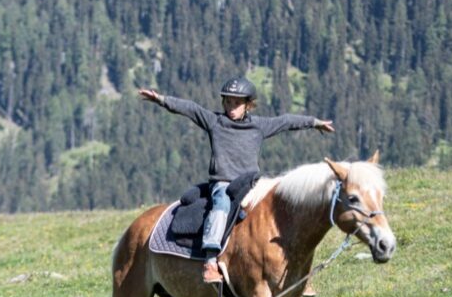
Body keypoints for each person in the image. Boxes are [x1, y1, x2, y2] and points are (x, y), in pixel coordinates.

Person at [140, 77, 334, 283]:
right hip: (223, 184)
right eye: (228, 102)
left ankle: (297, 274)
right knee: (221, 203)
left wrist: (315, 123)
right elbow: (190, 108)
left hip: (252, 184)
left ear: (248, 105)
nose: (232, 107)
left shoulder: (259, 126)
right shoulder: (214, 122)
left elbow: (286, 121)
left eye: (237, 103)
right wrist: (161, 99)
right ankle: (211, 260)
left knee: (281, 206)